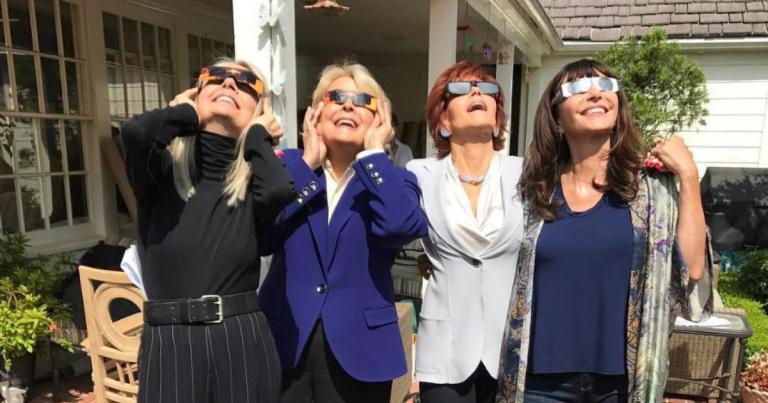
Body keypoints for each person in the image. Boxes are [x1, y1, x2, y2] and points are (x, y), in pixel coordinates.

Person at [495, 58, 714, 402]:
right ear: (555, 116)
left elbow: (691, 270)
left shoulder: (651, 191)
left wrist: (688, 175)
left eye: (607, 86)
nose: (596, 94)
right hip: (540, 384)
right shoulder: (530, 192)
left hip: (621, 384)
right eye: (579, 88)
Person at [121, 58, 295, 403]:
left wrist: (256, 136)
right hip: (170, 341)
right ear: (194, 92)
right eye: (215, 77)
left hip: (241, 338)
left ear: (258, 110)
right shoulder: (160, 171)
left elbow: (279, 191)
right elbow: (136, 132)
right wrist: (187, 114)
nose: (230, 84)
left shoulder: (252, 182)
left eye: (246, 83)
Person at [258, 62, 428, 403]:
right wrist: (306, 164)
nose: (349, 105)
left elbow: (401, 227)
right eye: (336, 97)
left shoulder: (392, 179)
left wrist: (374, 156)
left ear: (379, 120)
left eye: (363, 100)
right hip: (284, 342)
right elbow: (263, 232)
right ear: (316, 114)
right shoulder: (287, 168)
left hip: (360, 351)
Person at [407, 60, 524, 403]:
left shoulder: (526, 173)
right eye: (461, 88)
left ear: (498, 118)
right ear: (443, 120)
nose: (477, 92)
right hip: (444, 352)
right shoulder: (419, 174)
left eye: (488, 90)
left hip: (511, 348)